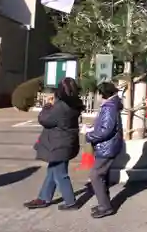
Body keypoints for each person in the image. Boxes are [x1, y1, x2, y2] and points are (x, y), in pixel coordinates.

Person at [24, 78, 84, 211]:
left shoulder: (61, 106)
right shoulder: (75, 103)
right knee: (52, 171)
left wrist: (47, 106)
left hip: (58, 145)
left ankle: (71, 202)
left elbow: (44, 119)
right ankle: (43, 198)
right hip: (67, 143)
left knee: (60, 174)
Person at [86, 82, 124, 219]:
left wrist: (89, 135)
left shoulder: (109, 107)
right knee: (102, 175)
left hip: (107, 146)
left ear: (103, 94)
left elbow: (105, 130)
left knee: (95, 175)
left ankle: (105, 207)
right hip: (108, 145)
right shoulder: (111, 105)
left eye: (98, 93)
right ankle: (105, 203)